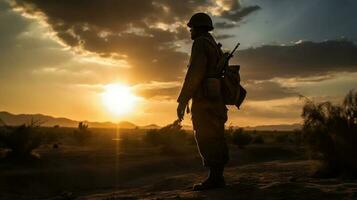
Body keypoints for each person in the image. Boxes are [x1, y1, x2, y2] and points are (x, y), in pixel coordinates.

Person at [177, 12, 229, 191]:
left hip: (205, 101)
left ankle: (215, 180)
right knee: (216, 136)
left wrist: (182, 100)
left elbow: (195, 73)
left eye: (191, 28)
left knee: (206, 136)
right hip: (216, 100)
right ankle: (217, 178)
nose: (190, 31)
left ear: (198, 28)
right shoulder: (213, 44)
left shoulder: (200, 43)